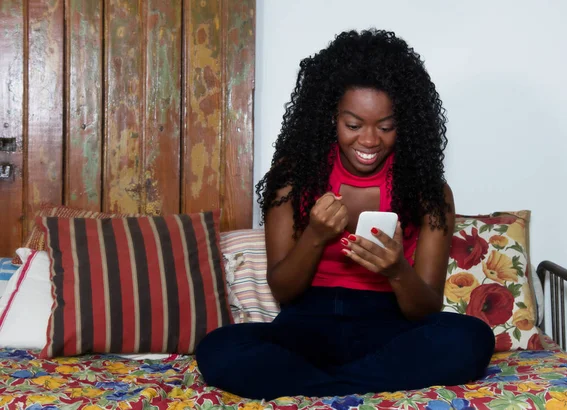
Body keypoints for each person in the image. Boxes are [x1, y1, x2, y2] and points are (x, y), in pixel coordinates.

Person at [195, 29, 495, 400]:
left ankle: (321, 385)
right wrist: (315, 236)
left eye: (386, 127)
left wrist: (396, 270)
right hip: (306, 323)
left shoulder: (427, 189)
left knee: (472, 339)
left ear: (405, 124)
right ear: (330, 117)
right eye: (353, 125)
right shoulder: (294, 177)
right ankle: (358, 385)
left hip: (388, 327)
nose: (369, 140)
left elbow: (426, 308)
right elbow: (284, 290)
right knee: (217, 349)